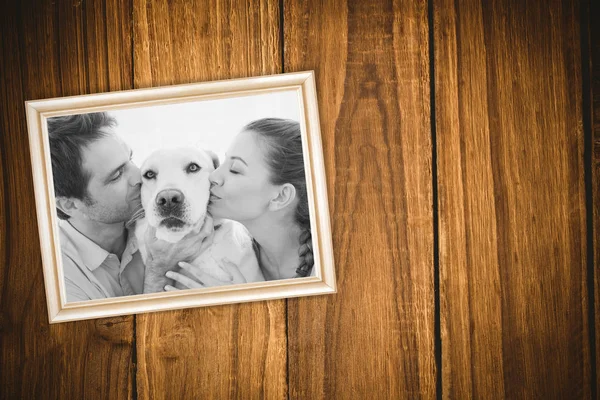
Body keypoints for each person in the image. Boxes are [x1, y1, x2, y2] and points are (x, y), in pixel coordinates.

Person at [49, 112, 210, 302]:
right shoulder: (57, 283)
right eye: (117, 175)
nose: (138, 176)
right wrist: (158, 272)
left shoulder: (159, 214)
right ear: (70, 205)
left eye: (130, 159)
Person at [165, 118, 314, 290]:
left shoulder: (329, 271)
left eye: (234, 169)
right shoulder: (225, 249)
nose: (213, 177)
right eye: (224, 161)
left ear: (280, 197)